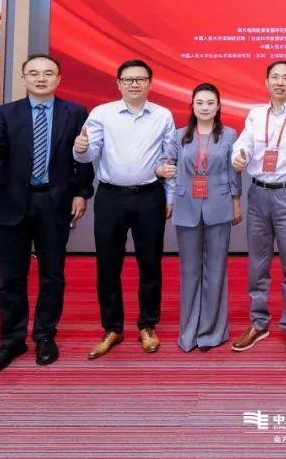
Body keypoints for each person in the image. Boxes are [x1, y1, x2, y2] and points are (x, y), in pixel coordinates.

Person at [0, 53, 93, 374]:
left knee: (52, 274)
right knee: (11, 277)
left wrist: (82, 192)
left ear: (59, 79)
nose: (41, 78)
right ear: (24, 78)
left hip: (53, 202)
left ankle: (44, 335)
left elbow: (83, 156)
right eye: (34, 73)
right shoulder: (6, 112)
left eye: (48, 73)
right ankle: (11, 340)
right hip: (11, 202)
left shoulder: (75, 112)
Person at [73, 59, 176, 359]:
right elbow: (89, 153)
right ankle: (112, 327)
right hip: (111, 197)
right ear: (118, 83)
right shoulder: (101, 113)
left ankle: (148, 324)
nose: (134, 84)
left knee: (150, 264)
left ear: (150, 83)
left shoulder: (163, 115)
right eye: (128, 79)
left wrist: (170, 196)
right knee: (108, 264)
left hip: (149, 196)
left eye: (140, 79)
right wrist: (80, 150)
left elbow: (169, 158)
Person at [231, 61, 286, 357]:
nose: (280, 82)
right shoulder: (256, 114)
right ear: (266, 82)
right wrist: (239, 156)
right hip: (257, 194)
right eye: (275, 77)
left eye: (285, 78)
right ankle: (259, 323)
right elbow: (243, 144)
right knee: (257, 265)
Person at [156, 83, 242, 353]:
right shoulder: (179, 135)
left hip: (219, 206)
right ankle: (189, 332)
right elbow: (166, 165)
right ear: (192, 106)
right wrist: (162, 175)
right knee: (190, 272)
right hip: (186, 207)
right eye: (200, 102)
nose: (205, 107)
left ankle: (212, 333)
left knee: (216, 271)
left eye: (210, 103)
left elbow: (234, 172)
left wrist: (236, 202)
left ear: (218, 106)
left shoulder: (229, 135)